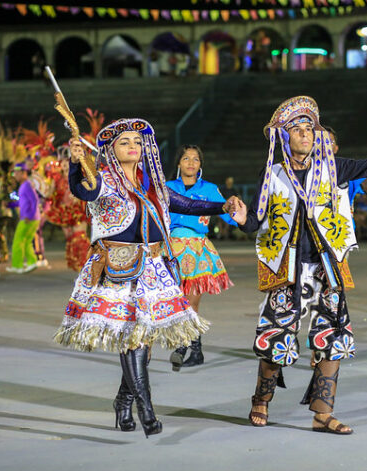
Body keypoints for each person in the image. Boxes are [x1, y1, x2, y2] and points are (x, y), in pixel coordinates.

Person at [231, 96, 367, 434]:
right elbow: (256, 221)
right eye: (297, 130)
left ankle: (322, 414)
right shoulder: (272, 173)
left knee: (333, 340)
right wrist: (243, 220)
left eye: (309, 128)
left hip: (327, 266)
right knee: (277, 342)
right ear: (284, 137)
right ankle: (261, 400)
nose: (306, 134)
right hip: (286, 269)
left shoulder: (333, 167)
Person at [53, 118, 238, 437]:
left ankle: (123, 403)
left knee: (144, 344)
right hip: (118, 268)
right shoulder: (103, 179)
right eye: (125, 142)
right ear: (112, 149)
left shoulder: (152, 183)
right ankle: (146, 410)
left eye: (137, 143)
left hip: (153, 268)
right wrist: (74, 164)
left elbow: (187, 204)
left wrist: (224, 206)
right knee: (133, 339)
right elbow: (83, 190)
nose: (133, 147)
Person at [166, 145, 235, 371]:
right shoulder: (167, 188)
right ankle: (196, 350)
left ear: (200, 165)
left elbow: (229, 214)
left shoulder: (210, 189)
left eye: (195, 159)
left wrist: (250, 219)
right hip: (171, 251)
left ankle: (182, 347)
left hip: (197, 251)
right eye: (186, 158)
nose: (190, 163)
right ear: (179, 163)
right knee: (176, 303)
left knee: (191, 303)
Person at [46, 146, 89, 271]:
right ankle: (78, 268)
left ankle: (86, 266)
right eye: (63, 163)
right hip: (64, 212)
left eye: (67, 162)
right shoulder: (56, 179)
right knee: (70, 240)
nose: (65, 165)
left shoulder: (80, 176)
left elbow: (88, 189)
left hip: (77, 211)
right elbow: (49, 194)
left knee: (79, 238)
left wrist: (80, 195)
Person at [7, 163, 40, 273]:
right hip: (31, 217)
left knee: (18, 240)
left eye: (16, 173)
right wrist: (10, 205)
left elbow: (35, 200)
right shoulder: (24, 185)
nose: (15, 175)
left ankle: (18, 266)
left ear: (23, 173)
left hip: (29, 218)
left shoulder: (27, 185)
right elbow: (23, 202)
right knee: (26, 241)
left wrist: (29, 216)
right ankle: (31, 262)